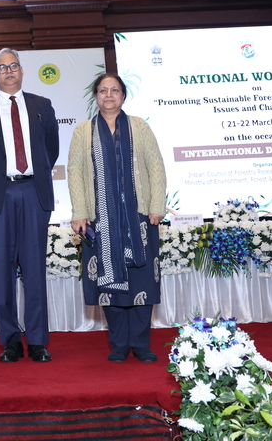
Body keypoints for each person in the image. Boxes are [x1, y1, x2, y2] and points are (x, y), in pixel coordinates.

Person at [0, 48, 59, 363]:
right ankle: (10, 341)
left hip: (34, 192)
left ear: (21, 71)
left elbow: (51, 149)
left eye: (13, 65)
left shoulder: (42, 105)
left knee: (34, 270)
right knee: (3, 270)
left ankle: (37, 341)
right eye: (2, 67)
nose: (8, 71)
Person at [67, 73, 166, 363]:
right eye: (103, 90)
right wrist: (80, 212)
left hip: (140, 217)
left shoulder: (139, 126)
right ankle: (119, 344)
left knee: (142, 281)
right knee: (108, 283)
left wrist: (156, 205)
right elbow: (75, 172)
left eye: (114, 90)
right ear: (96, 96)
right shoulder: (83, 131)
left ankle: (141, 344)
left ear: (123, 95)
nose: (108, 95)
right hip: (100, 220)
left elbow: (155, 167)